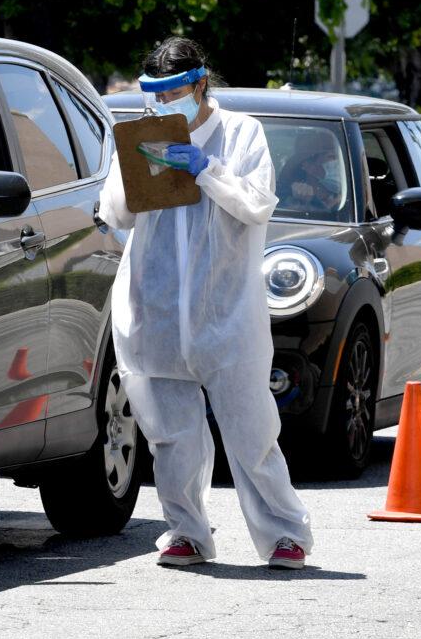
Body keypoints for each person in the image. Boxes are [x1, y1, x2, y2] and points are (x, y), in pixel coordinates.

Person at [97, 37, 314, 569]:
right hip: (154, 310)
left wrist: (204, 169)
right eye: (155, 95)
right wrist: (137, 169)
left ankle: (286, 535)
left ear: (199, 84)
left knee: (252, 430)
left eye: (173, 93)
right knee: (171, 438)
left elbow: (257, 204)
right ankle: (186, 533)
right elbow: (116, 215)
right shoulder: (143, 135)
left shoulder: (242, 135)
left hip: (227, 312)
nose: (164, 104)